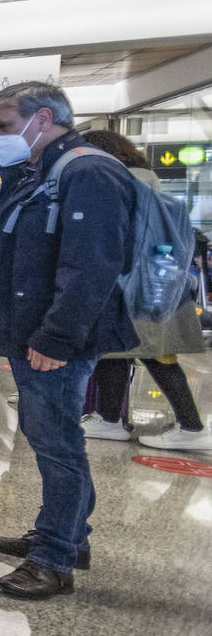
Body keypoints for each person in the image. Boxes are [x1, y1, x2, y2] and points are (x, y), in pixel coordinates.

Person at [0, 82, 138, 600]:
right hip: (34, 330)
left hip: (55, 337)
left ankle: (53, 558)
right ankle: (66, 535)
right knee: (51, 437)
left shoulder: (87, 171)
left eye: (2, 125)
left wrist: (58, 337)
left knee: (57, 442)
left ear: (42, 118)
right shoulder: (39, 173)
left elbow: (92, 265)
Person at [76, 129, 210, 451]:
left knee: (149, 355)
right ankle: (110, 420)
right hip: (157, 283)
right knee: (126, 352)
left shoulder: (120, 182)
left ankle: (191, 427)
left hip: (135, 287)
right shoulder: (147, 180)